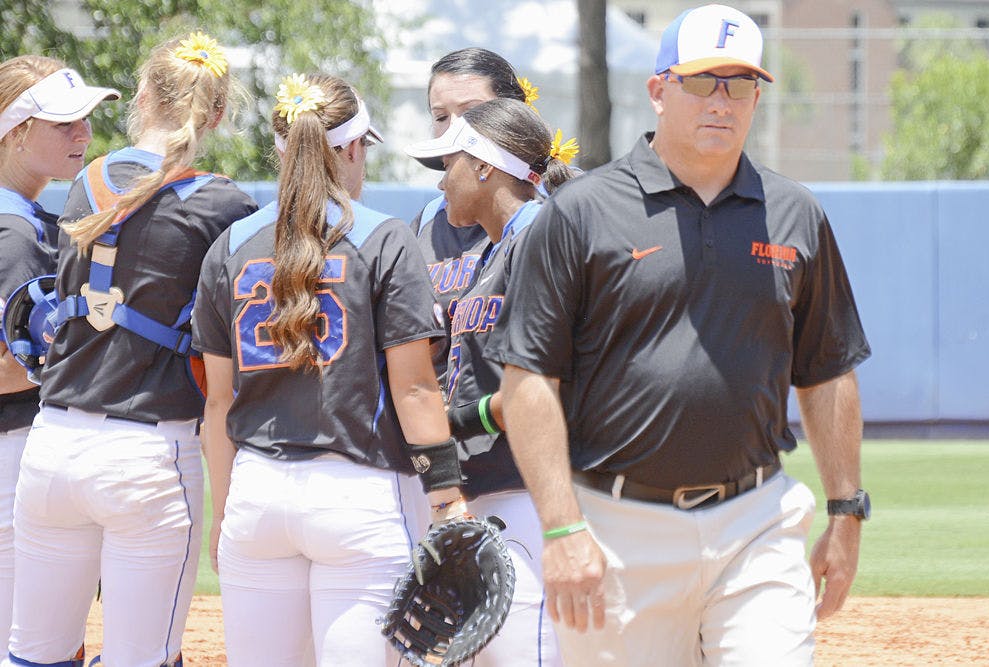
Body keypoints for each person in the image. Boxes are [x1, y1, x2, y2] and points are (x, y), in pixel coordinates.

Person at [486, 4, 873, 666]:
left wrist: (845, 510)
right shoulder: (581, 214)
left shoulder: (795, 215)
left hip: (757, 519)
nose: (722, 101)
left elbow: (829, 371)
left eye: (740, 83)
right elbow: (526, 382)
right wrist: (560, 525)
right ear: (659, 90)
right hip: (617, 527)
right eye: (702, 81)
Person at [192, 72, 466, 666]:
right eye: (363, 147)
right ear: (346, 148)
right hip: (358, 496)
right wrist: (448, 500)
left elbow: (217, 404)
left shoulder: (232, 243)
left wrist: (226, 512)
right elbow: (417, 389)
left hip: (257, 494)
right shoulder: (385, 237)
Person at [6, 33, 257, 667]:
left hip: (53, 444)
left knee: (33, 655)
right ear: (218, 113)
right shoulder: (227, 205)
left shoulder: (84, 186)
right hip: (149, 451)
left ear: (142, 96)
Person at [405, 98, 577, 666]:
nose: (442, 183)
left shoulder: (540, 239)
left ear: (485, 166)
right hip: (490, 491)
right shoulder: (498, 248)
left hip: (525, 492)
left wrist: (451, 423)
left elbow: (546, 385)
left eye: (450, 163)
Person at [0, 54, 118, 658]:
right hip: (11, 452)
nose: (83, 134)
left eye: (86, 119)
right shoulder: (14, 231)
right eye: (63, 123)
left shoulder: (33, 218)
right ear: (16, 132)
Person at [412, 48, 528, 384]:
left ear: (512, 114)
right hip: (439, 429)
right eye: (440, 117)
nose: (454, 132)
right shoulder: (427, 223)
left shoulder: (552, 214)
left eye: (471, 114)